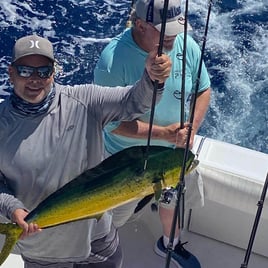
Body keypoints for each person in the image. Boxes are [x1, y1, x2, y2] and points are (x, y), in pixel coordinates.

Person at [0, 34, 171, 268]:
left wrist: (153, 79)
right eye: (25, 71)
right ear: (11, 72)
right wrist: (13, 208)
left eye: (44, 71)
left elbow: (133, 102)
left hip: (96, 237)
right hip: (42, 246)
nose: (35, 80)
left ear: (54, 72)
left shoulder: (85, 100)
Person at [94, 0, 211, 267]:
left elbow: (204, 88)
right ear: (140, 25)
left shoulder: (184, 44)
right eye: (165, 31)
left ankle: (170, 243)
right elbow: (111, 124)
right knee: (114, 217)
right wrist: (165, 134)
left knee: (172, 200)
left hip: (170, 154)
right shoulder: (112, 62)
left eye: (175, 29)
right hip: (125, 160)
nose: (174, 37)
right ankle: (98, 252)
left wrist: (191, 127)